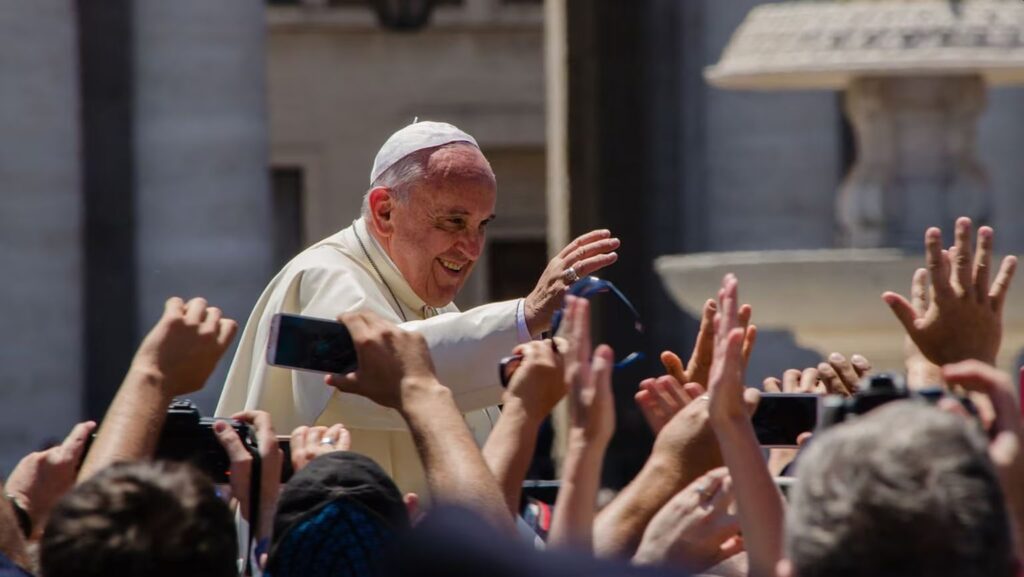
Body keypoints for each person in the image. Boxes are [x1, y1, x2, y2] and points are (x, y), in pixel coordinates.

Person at [216, 120, 619, 494]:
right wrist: (525, 316)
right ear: (384, 211)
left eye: (482, 225)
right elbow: (385, 369)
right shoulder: (323, 276)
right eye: (454, 222)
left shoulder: (441, 314)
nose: (472, 248)